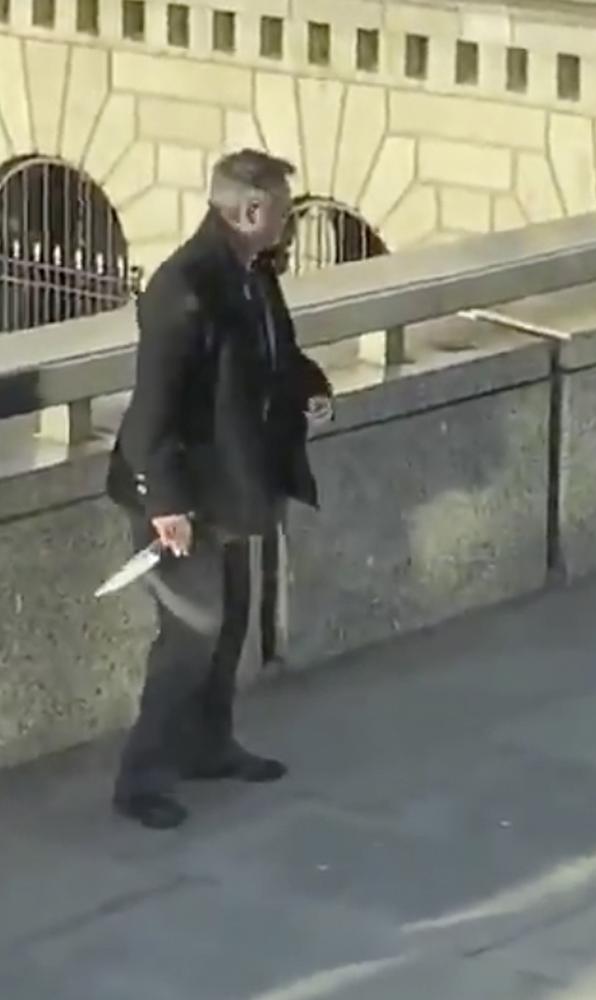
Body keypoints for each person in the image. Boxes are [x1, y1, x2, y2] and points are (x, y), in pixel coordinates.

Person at [106, 148, 333, 830]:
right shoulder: (184, 287)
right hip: (181, 498)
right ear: (252, 210)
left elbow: (274, 354)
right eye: (285, 211)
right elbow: (153, 410)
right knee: (189, 633)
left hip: (232, 488)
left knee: (231, 619)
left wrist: (312, 388)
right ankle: (141, 777)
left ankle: (208, 745)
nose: (289, 223)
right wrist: (166, 506)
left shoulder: (252, 275)